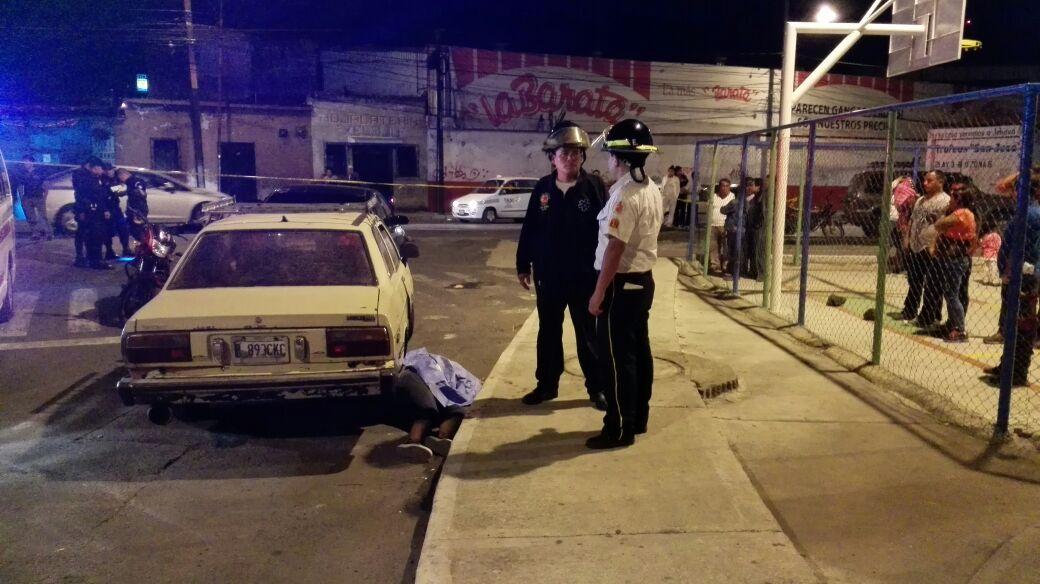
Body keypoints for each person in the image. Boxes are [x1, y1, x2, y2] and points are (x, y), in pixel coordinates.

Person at [516, 121, 608, 410]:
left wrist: (605, 273)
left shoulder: (593, 186)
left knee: (588, 335)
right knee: (548, 333)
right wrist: (523, 264)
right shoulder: (542, 189)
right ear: (552, 158)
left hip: (584, 278)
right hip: (549, 277)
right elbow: (530, 228)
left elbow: (607, 231)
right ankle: (546, 385)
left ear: (582, 157)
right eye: (564, 153)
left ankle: (597, 388)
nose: (570, 158)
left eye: (576, 153)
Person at [587, 118, 662, 449]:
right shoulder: (651, 188)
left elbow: (614, 248)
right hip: (642, 283)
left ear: (619, 159)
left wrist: (599, 291)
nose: (607, 161)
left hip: (621, 285)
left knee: (616, 358)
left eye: (609, 156)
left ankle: (618, 427)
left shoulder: (625, 196)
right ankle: (638, 418)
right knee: (638, 353)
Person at [983, 167, 1040, 346]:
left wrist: (1001, 266)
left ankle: (1013, 335)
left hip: (1022, 265)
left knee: (1016, 302)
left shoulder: (1025, 213)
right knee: (1024, 302)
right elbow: (1003, 186)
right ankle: (1024, 335)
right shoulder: (1031, 210)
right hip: (1031, 264)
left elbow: (1007, 244)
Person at [896, 170, 950, 327]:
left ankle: (934, 314)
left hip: (931, 247)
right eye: (925, 180)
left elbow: (944, 226)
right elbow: (912, 220)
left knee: (933, 283)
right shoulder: (920, 200)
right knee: (914, 280)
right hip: (915, 245)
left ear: (940, 182)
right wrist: (907, 238)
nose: (925, 183)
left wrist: (936, 245)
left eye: (930, 181)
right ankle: (910, 309)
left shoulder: (945, 201)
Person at [932, 185, 977, 342]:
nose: (950, 200)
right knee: (951, 293)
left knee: (952, 294)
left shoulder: (962, 213)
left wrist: (944, 213)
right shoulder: (963, 213)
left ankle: (959, 329)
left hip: (956, 259)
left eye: (953, 197)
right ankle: (953, 324)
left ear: (959, 199)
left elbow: (938, 225)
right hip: (954, 259)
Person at [71, 157, 109, 269]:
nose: (102, 171)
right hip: (87, 210)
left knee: (90, 235)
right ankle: (87, 259)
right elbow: (82, 195)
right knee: (86, 234)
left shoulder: (92, 177)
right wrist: (83, 210)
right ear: (94, 167)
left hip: (89, 210)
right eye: (100, 168)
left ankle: (90, 258)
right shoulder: (82, 176)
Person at [14, 155, 50, 240]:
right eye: (24, 162)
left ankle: (48, 233)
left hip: (38, 197)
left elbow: (46, 184)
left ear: (32, 162)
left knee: (43, 216)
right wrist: (22, 198)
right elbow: (20, 185)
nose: (25, 164)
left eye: (26, 161)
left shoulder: (39, 172)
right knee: (30, 217)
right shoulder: (23, 173)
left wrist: (45, 196)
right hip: (27, 197)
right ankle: (35, 234)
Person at [889, 175, 918, 273]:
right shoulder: (908, 193)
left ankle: (899, 265)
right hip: (902, 221)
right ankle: (900, 265)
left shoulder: (898, 190)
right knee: (902, 245)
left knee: (900, 246)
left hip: (901, 221)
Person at [101, 163, 130, 258]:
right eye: (110, 170)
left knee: (123, 229)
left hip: (115, 208)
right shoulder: (103, 181)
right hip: (107, 209)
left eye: (112, 170)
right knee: (108, 232)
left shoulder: (114, 180)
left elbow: (120, 192)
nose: (112, 171)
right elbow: (117, 191)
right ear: (105, 170)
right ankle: (109, 252)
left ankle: (126, 249)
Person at [115, 168, 149, 241]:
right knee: (135, 229)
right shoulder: (130, 182)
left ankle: (146, 246)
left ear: (122, 175)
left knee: (138, 230)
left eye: (120, 178)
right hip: (134, 209)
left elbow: (142, 193)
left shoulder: (134, 181)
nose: (121, 180)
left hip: (137, 210)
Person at [709, 179, 734, 273]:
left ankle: (725, 265)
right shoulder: (714, 196)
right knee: (713, 246)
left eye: (727, 186)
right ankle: (715, 265)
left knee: (726, 247)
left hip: (725, 226)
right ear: (719, 187)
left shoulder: (732, 197)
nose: (724, 188)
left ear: (729, 187)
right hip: (713, 225)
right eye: (723, 185)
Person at [979, 222, 1002, 286]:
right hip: (994, 255)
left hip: (986, 254)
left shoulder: (987, 236)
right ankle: (993, 281)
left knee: (986, 268)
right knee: (993, 268)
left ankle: (986, 280)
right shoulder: (998, 236)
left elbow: (983, 244)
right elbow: (999, 246)